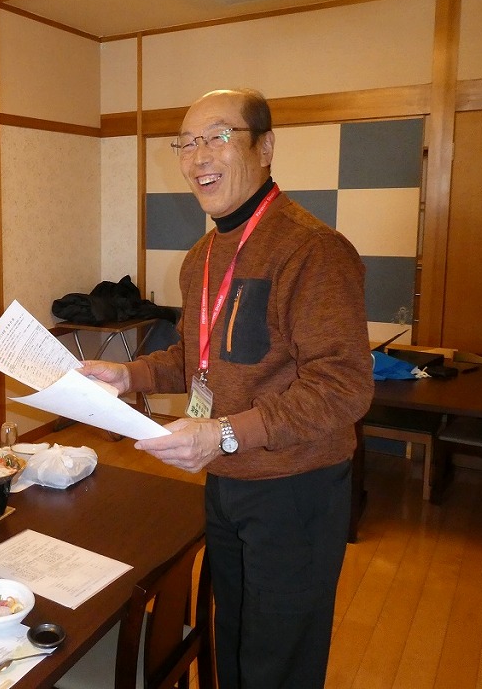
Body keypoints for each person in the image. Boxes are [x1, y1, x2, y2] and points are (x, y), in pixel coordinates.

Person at [80, 89, 373, 688]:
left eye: (218, 136)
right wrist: (130, 375)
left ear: (265, 147)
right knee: (235, 635)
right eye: (186, 143)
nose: (198, 157)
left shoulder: (312, 249)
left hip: (296, 488)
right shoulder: (202, 256)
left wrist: (226, 433)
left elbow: (343, 386)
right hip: (225, 478)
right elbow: (197, 358)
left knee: (279, 659)